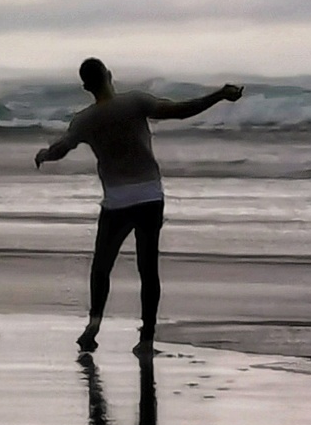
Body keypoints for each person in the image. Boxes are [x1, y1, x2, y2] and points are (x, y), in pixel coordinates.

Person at [34, 57, 243, 355]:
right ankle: (146, 338)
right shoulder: (135, 102)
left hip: (116, 201)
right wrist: (219, 95)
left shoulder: (83, 121)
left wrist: (44, 154)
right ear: (109, 75)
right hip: (149, 196)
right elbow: (181, 111)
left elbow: (61, 149)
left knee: (101, 267)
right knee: (148, 269)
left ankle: (93, 325)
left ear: (85, 87)